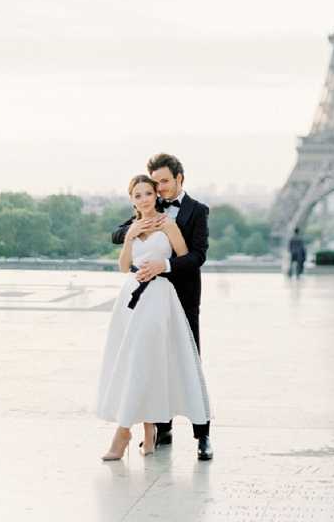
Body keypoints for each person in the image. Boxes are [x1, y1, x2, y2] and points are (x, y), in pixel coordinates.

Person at [97, 175, 211, 461]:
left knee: (143, 358)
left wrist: (163, 266)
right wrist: (131, 235)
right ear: (132, 199)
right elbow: (124, 266)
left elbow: (185, 258)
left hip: (159, 297)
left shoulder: (168, 223)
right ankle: (149, 431)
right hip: (131, 296)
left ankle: (123, 433)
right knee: (137, 358)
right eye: (138, 195)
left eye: (149, 193)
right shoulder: (131, 227)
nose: (145, 198)